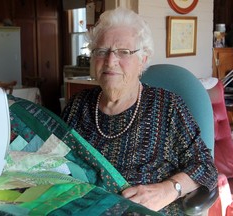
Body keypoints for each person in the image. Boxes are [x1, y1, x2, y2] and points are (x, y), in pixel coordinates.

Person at [61, 7, 218, 215]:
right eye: (101, 51)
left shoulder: (167, 107)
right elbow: (53, 160)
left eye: (123, 52)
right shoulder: (77, 106)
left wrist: (170, 189)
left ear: (143, 60)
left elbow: (206, 167)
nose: (110, 61)